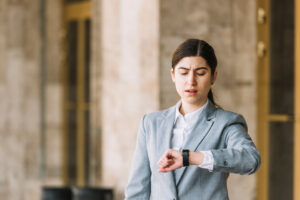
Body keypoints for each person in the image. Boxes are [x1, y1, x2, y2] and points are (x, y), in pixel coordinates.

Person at [125, 39, 261, 200]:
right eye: (183, 73)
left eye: (201, 73)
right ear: (173, 75)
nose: (191, 81)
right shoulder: (151, 124)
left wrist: (190, 157)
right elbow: (137, 189)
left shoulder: (226, 122)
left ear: (213, 77)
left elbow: (250, 159)